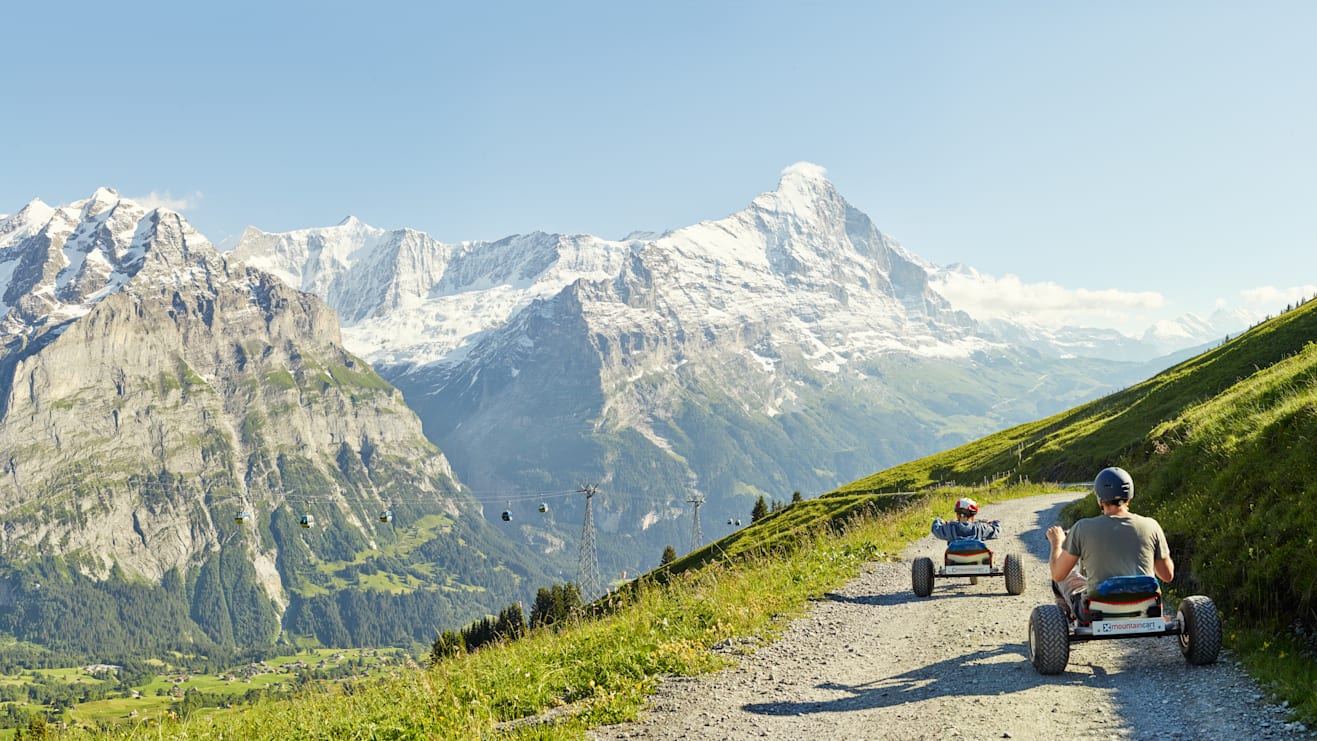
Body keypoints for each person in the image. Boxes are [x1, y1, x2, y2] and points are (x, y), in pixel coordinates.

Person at [1047, 466, 1175, 618]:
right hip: (1146, 606)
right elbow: (1167, 575)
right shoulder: (1151, 525)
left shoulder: (1082, 528)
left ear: (1100, 499)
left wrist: (1057, 542)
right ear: (1129, 496)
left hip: (1097, 610)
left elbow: (1058, 574)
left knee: (1066, 578)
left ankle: (1068, 619)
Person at [930, 497, 1001, 541]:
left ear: (958, 515)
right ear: (972, 516)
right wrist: (993, 523)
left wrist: (939, 521)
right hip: (977, 561)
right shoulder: (980, 527)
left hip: (955, 561)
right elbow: (997, 531)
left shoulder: (950, 527)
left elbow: (935, 529)